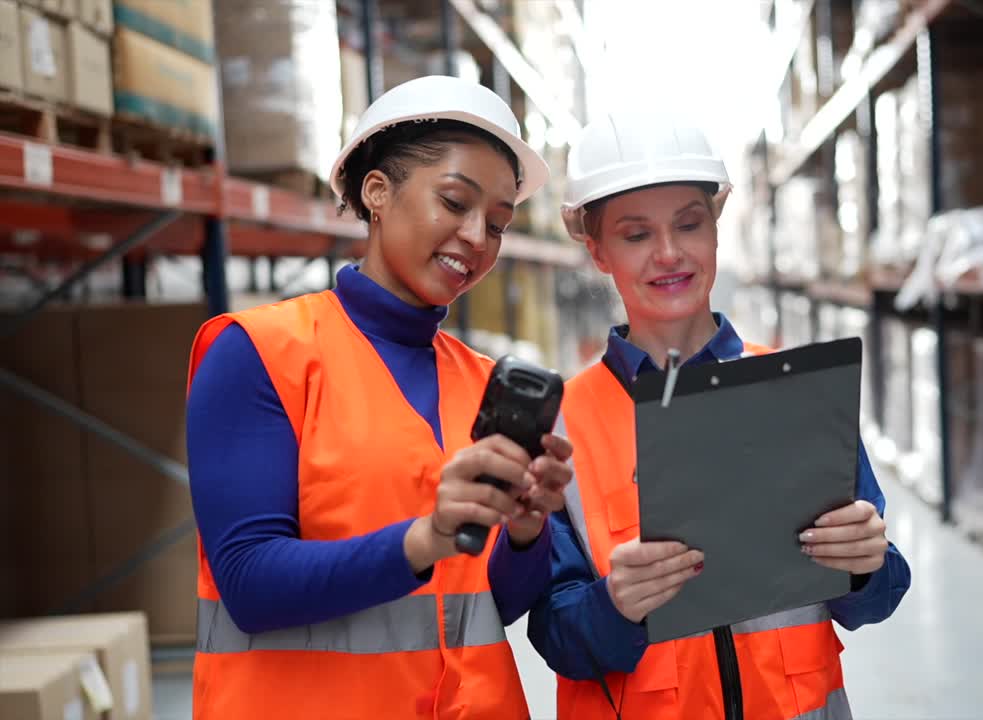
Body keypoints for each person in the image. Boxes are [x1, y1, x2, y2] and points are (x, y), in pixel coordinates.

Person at [490, 112, 911, 719]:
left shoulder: (795, 395)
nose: (668, 254)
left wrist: (868, 567)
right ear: (598, 250)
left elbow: (877, 597)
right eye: (636, 235)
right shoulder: (561, 426)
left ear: (716, 226)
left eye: (689, 224)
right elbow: (557, 637)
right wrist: (615, 605)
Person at [184, 75, 573, 720]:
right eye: (455, 201)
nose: (478, 237)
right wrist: (424, 539)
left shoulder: (479, 381)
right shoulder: (261, 352)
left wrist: (528, 531)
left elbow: (493, 602)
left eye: (499, 224)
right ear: (377, 192)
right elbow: (249, 585)